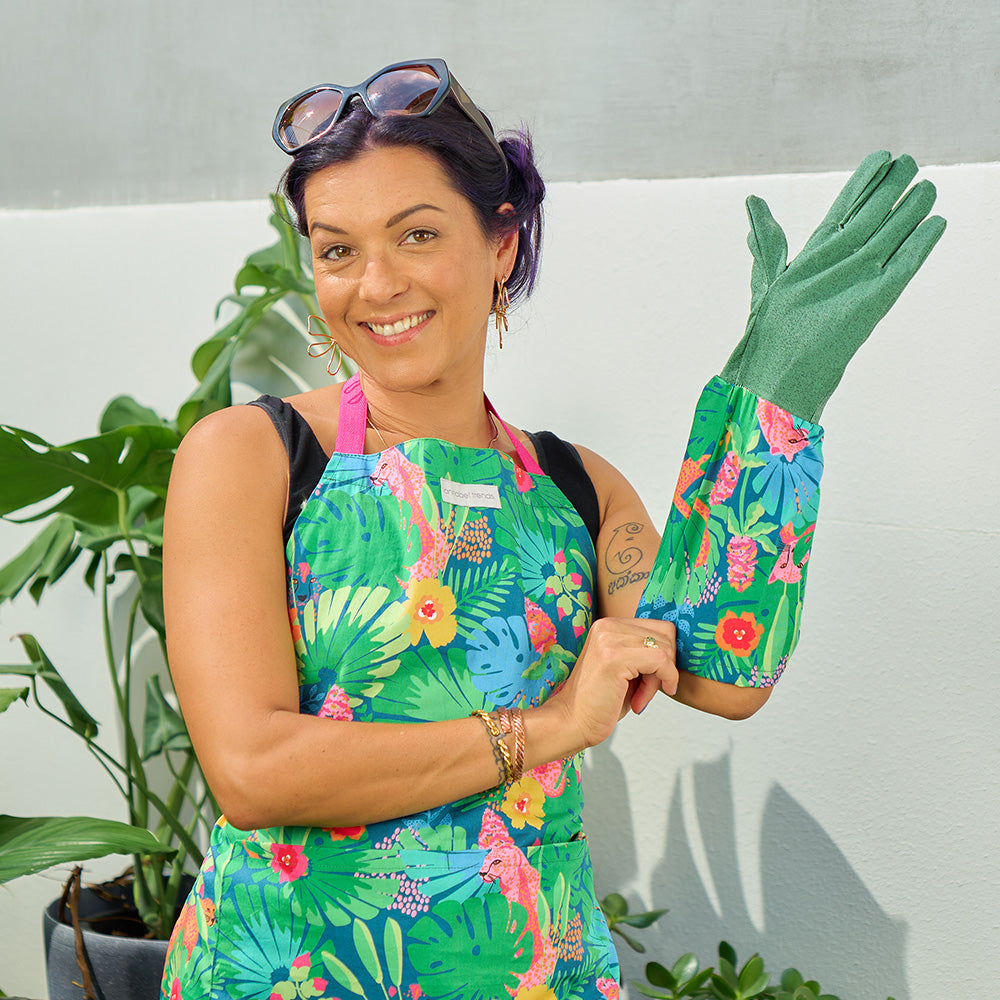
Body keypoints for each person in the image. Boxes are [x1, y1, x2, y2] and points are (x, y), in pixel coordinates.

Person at [159, 60, 943, 999]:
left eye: (416, 235)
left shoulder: (576, 490)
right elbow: (255, 769)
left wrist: (773, 405)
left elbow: (723, 675)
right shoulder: (254, 457)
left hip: (534, 972)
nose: (374, 284)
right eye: (336, 251)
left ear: (502, 242)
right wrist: (548, 727)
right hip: (286, 971)